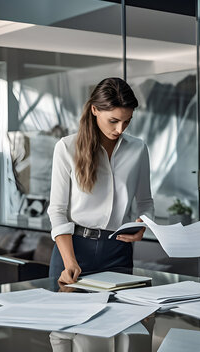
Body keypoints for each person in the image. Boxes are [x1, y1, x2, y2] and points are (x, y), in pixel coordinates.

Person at [47, 77, 154, 285]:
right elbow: (57, 210)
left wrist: (144, 224)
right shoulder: (66, 147)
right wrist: (70, 262)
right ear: (95, 110)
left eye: (127, 121)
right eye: (113, 121)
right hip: (73, 250)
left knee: (120, 315)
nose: (120, 129)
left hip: (118, 251)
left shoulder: (138, 149)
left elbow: (145, 203)